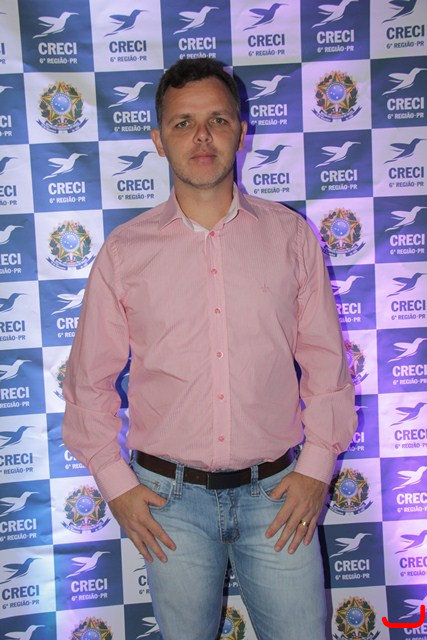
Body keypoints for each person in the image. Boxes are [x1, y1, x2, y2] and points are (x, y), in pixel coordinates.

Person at [63, 58, 357, 640]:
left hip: (280, 497)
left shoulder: (290, 237)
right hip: (167, 505)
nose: (202, 136)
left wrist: (317, 468)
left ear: (241, 132)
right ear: (158, 140)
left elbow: (327, 366)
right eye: (183, 123)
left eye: (218, 119)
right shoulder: (124, 253)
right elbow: (86, 385)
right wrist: (116, 486)